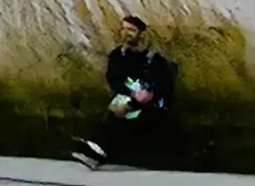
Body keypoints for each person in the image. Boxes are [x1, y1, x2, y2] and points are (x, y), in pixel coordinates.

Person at [75, 12, 181, 170]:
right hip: (128, 98)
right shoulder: (117, 56)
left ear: (141, 33)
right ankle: (96, 149)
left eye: (131, 30)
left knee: (123, 114)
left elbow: (164, 84)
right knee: (118, 109)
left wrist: (149, 94)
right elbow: (114, 80)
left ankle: (97, 150)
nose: (126, 33)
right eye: (123, 29)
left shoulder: (154, 58)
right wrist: (131, 93)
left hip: (152, 101)